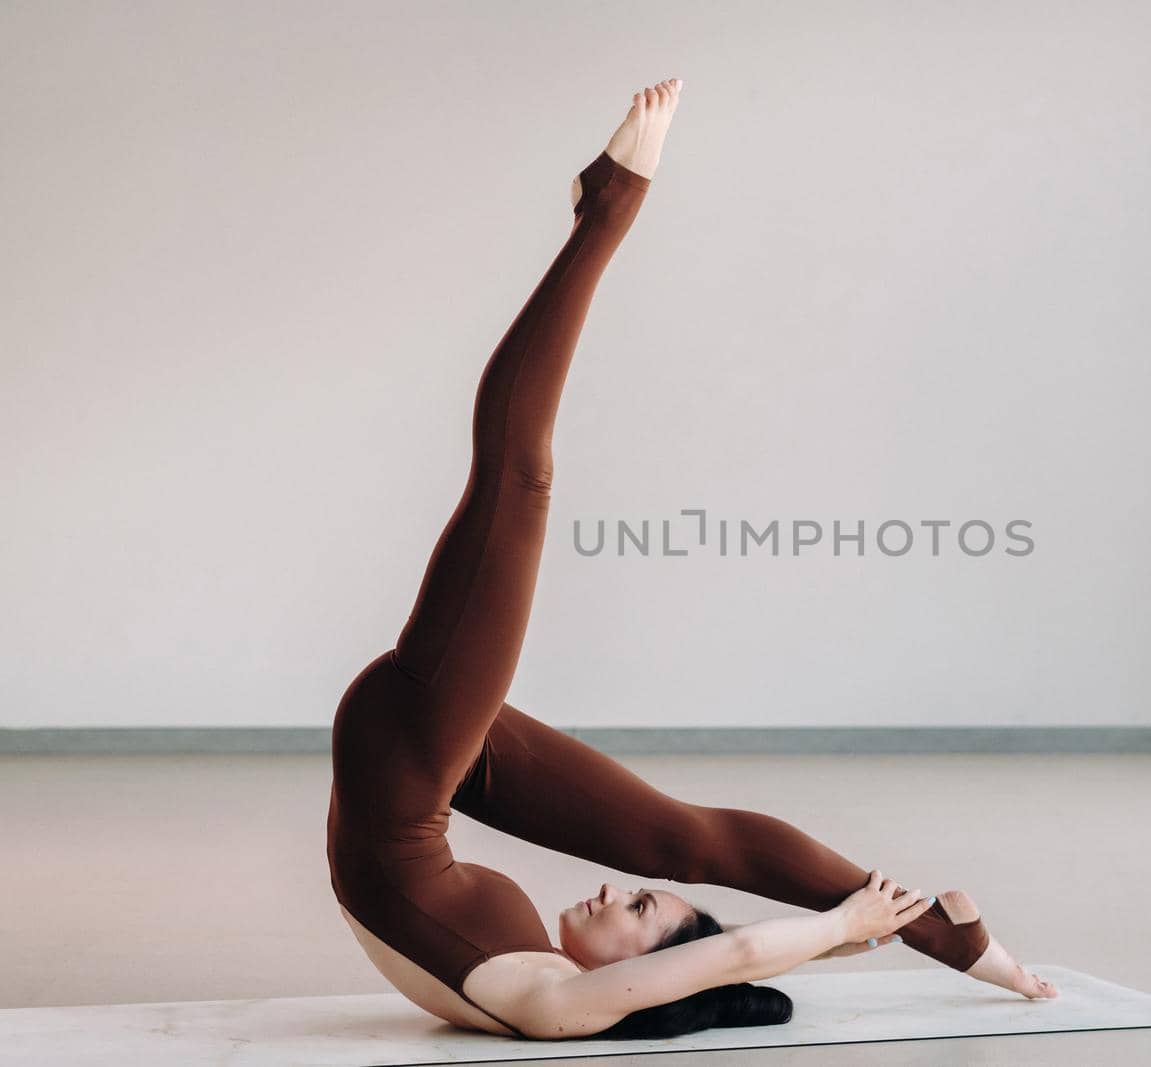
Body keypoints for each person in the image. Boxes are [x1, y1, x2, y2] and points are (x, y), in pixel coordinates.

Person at [325, 77, 1058, 1042]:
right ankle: (959, 943)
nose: (616, 895)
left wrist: (838, 927)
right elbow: (737, 928)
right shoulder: (556, 981)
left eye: (638, 916)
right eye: (644, 902)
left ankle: (610, 204)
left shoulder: (553, 1006)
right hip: (422, 756)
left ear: (654, 976)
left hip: (405, 761)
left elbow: (741, 954)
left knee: (517, 478)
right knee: (690, 838)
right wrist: (869, 935)